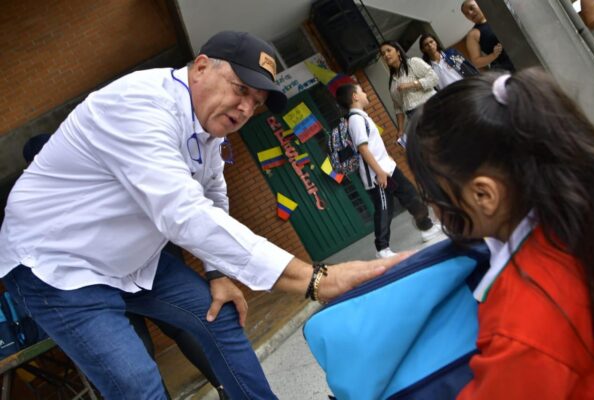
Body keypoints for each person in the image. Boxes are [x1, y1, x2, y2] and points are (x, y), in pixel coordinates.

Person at [0, 31, 407, 400]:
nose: (246, 107)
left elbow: (212, 191)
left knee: (221, 318)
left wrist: (218, 274)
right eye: (241, 89)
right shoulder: (139, 105)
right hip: (55, 265)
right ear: (200, 67)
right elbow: (184, 213)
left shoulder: (207, 128)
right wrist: (315, 279)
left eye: (257, 102)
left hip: (130, 258)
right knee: (137, 386)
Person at [406, 68, 594, 398]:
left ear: (484, 195)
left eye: (431, 193)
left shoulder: (522, 321)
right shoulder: (576, 217)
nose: (434, 207)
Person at [22, 134, 228, 399]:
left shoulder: (46, 194)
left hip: (108, 273)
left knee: (137, 348)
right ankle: (227, 388)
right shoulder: (96, 161)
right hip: (146, 256)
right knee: (179, 326)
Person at [335, 83, 440, 258]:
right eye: (362, 91)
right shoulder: (355, 120)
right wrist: (380, 172)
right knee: (384, 209)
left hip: (387, 168)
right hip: (378, 174)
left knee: (410, 194)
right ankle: (382, 249)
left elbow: (373, 146)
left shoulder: (361, 117)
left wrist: (387, 160)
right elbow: (363, 149)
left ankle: (426, 227)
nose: (366, 93)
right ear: (354, 96)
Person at [379, 41, 438, 148]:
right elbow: (398, 108)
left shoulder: (413, 63)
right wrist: (401, 130)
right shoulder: (392, 82)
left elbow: (434, 78)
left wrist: (411, 84)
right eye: (383, 54)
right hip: (414, 118)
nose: (386, 55)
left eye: (388, 50)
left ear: (398, 51)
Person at [461, 0, 515, 72]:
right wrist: (494, 55)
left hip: (524, 55)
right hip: (505, 69)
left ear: (479, 4)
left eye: (471, 8)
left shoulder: (499, 16)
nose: (470, 13)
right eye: (467, 14)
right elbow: (476, 62)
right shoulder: (473, 34)